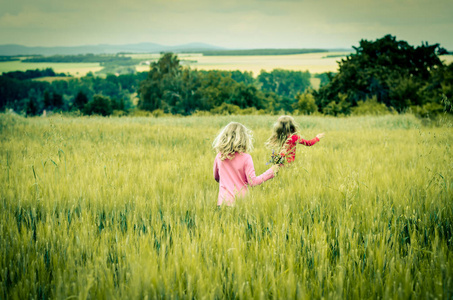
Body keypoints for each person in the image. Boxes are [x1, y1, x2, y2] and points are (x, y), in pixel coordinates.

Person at [213, 122, 279, 206]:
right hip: (241, 203)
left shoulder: (219, 156)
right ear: (244, 138)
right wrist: (271, 171)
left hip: (223, 202)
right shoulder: (246, 158)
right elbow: (253, 182)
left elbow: (216, 177)